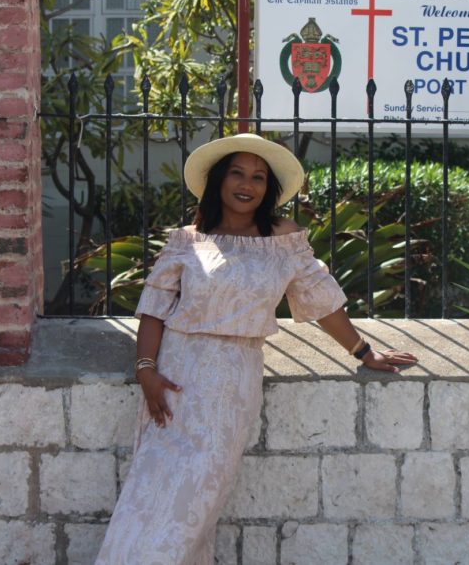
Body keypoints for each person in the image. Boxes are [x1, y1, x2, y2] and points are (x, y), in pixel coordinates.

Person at [94, 133, 417, 564]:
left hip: (234, 382)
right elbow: (153, 310)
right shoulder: (186, 241)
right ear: (219, 180)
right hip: (175, 379)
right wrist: (146, 372)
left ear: (268, 188)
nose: (248, 184)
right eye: (238, 173)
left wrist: (363, 352)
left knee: (195, 504)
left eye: (259, 177)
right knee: (152, 496)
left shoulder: (286, 243)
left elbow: (322, 302)